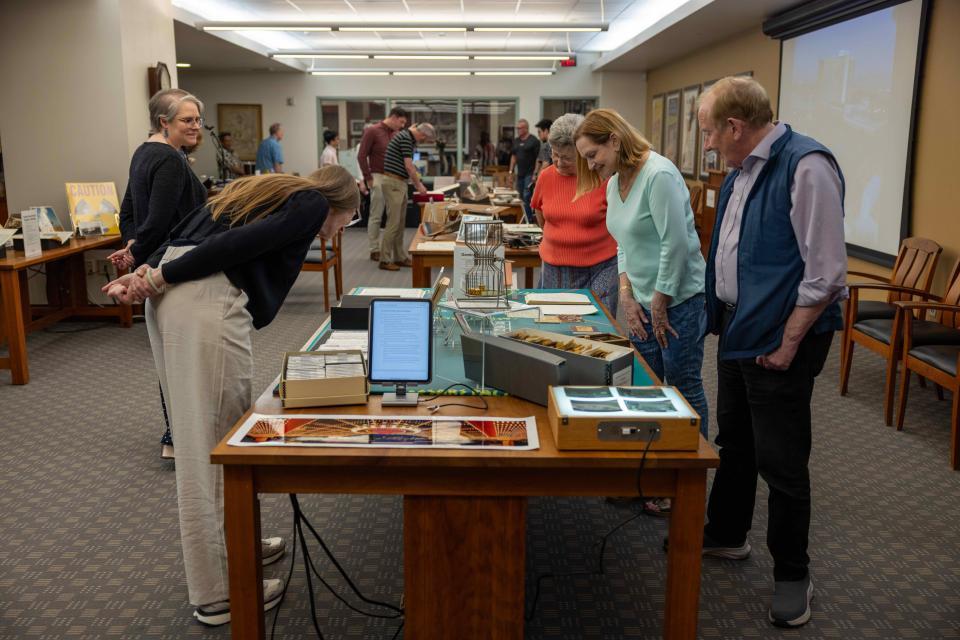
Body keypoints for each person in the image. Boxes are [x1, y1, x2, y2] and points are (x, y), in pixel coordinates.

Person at [102, 166, 361, 627]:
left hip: (174, 300)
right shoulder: (311, 204)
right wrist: (156, 278)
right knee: (213, 448)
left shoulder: (263, 191)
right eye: (349, 219)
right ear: (340, 204)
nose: (343, 228)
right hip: (201, 301)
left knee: (214, 433)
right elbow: (232, 248)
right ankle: (220, 591)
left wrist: (143, 274)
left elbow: (184, 232)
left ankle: (236, 542)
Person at [697, 76, 846, 628]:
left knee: (782, 462)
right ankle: (728, 534)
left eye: (710, 132)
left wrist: (788, 342)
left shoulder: (807, 165)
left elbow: (827, 272)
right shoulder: (740, 174)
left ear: (736, 127)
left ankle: (792, 574)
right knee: (735, 440)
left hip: (784, 334)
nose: (708, 144)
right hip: (742, 327)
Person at [575, 107, 708, 517]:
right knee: (644, 389)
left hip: (679, 300)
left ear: (614, 140)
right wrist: (628, 296)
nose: (590, 164)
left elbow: (677, 245)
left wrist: (660, 300)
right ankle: (646, 477)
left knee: (681, 386)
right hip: (643, 299)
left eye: (593, 153)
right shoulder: (615, 183)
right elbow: (623, 246)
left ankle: (684, 479)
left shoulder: (660, 174)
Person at [111, 88, 208, 460]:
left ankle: (175, 435)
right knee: (181, 355)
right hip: (172, 266)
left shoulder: (142, 152)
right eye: (187, 120)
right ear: (164, 122)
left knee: (169, 354)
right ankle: (179, 436)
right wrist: (139, 252)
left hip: (155, 263)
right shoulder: (168, 159)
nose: (195, 126)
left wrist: (133, 249)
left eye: (198, 119)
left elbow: (129, 215)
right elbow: (162, 219)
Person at [530, 113, 618, 315]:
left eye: (567, 158)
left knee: (597, 327)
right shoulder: (546, 177)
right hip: (555, 268)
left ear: (582, 152)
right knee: (555, 327)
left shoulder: (602, 175)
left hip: (600, 267)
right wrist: (559, 238)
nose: (559, 162)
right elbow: (539, 210)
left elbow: (617, 221)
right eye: (555, 154)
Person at [379, 122, 436, 271]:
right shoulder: (405, 139)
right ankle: (384, 259)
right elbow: (409, 166)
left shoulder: (407, 137)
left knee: (399, 223)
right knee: (393, 223)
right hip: (394, 183)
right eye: (424, 139)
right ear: (422, 135)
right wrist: (419, 185)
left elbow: (409, 167)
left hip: (399, 183)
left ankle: (399, 257)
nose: (422, 141)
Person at [358, 107, 409, 262]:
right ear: (393, 117)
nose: (402, 126)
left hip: (395, 179)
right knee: (376, 215)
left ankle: (392, 251)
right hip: (378, 177)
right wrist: (368, 178)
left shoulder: (396, 134)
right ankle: (374, 249)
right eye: (401, 122)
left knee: (394, 217)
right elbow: (361, 156)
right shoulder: (372, 131)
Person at [509, 119, 540, 221]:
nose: (517, 130)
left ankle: (529, 219)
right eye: (517, 128)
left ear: (526, 128)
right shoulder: (516, 141)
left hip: (530, 174)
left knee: (527, 196)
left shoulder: (534, 141)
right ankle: (523, 218)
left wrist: (535, 173)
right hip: (520, 174)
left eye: (519, 128)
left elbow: (538, 159)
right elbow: (513, 157)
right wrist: (511, 172)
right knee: (520, 197)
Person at [531, 118, 553, 187]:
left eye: (539, 132)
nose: (538, 135)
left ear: (546, 131)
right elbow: (539, 159)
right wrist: (535, 173)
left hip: (549, 177)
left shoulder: (547, 145)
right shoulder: (544, 144)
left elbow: (545, 164)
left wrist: (538, 178)